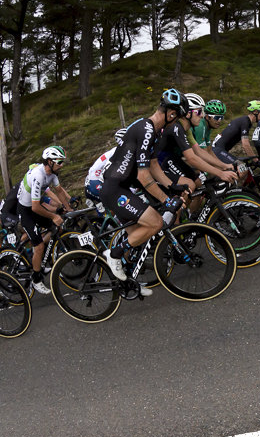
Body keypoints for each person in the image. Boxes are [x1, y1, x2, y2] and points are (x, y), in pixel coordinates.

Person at [100, 89, 190, 292]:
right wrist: (167, 200)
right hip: (115, 189)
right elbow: (143, 176)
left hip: (122, 187)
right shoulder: (147, 129)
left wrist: (170, 185)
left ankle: (129, 284)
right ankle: (112, 255)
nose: (176, 123)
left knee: (138, 238)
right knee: (156, 222)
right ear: (171, 114)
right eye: (177, 119)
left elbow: (154, 165)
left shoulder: (154, 131)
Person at [156, 92, 236, 197]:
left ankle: (192, 213)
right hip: (160, 162)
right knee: (190, 185)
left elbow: (199, 151)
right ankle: (177, 211)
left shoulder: (187, 128)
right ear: (188, 113)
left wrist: (224, 165)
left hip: (172, 159)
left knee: (199, 184)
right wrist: (220, 173)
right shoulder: (177, 127)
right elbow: (192, 159)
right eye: (199, 112)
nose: (202, 116)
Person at [16, 146, 73, 294]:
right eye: (59, 162)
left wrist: (69, 209)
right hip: (26, 210)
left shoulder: (52, 174)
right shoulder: (38, 175)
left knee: (58, 229)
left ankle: (41, 256)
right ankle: (36, 279)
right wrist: (54, 216)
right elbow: (35, 207)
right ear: (50, 162)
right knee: (39, 245)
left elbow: (59, 191)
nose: (61, 165)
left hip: (35, 206)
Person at [211, 100, 260, 165]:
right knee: (241, 168)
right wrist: (256, 160)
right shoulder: (245, 122)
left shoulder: (246, 121)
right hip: (218, 150)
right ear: (255, 112)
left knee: (238, 170)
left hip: (220, 150)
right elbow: (245, 145)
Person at [85, 128, 126, 205]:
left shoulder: (119, 150)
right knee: (120, 200)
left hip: (96, 178)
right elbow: (109, 171)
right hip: (96, 180)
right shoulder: (118, 152)